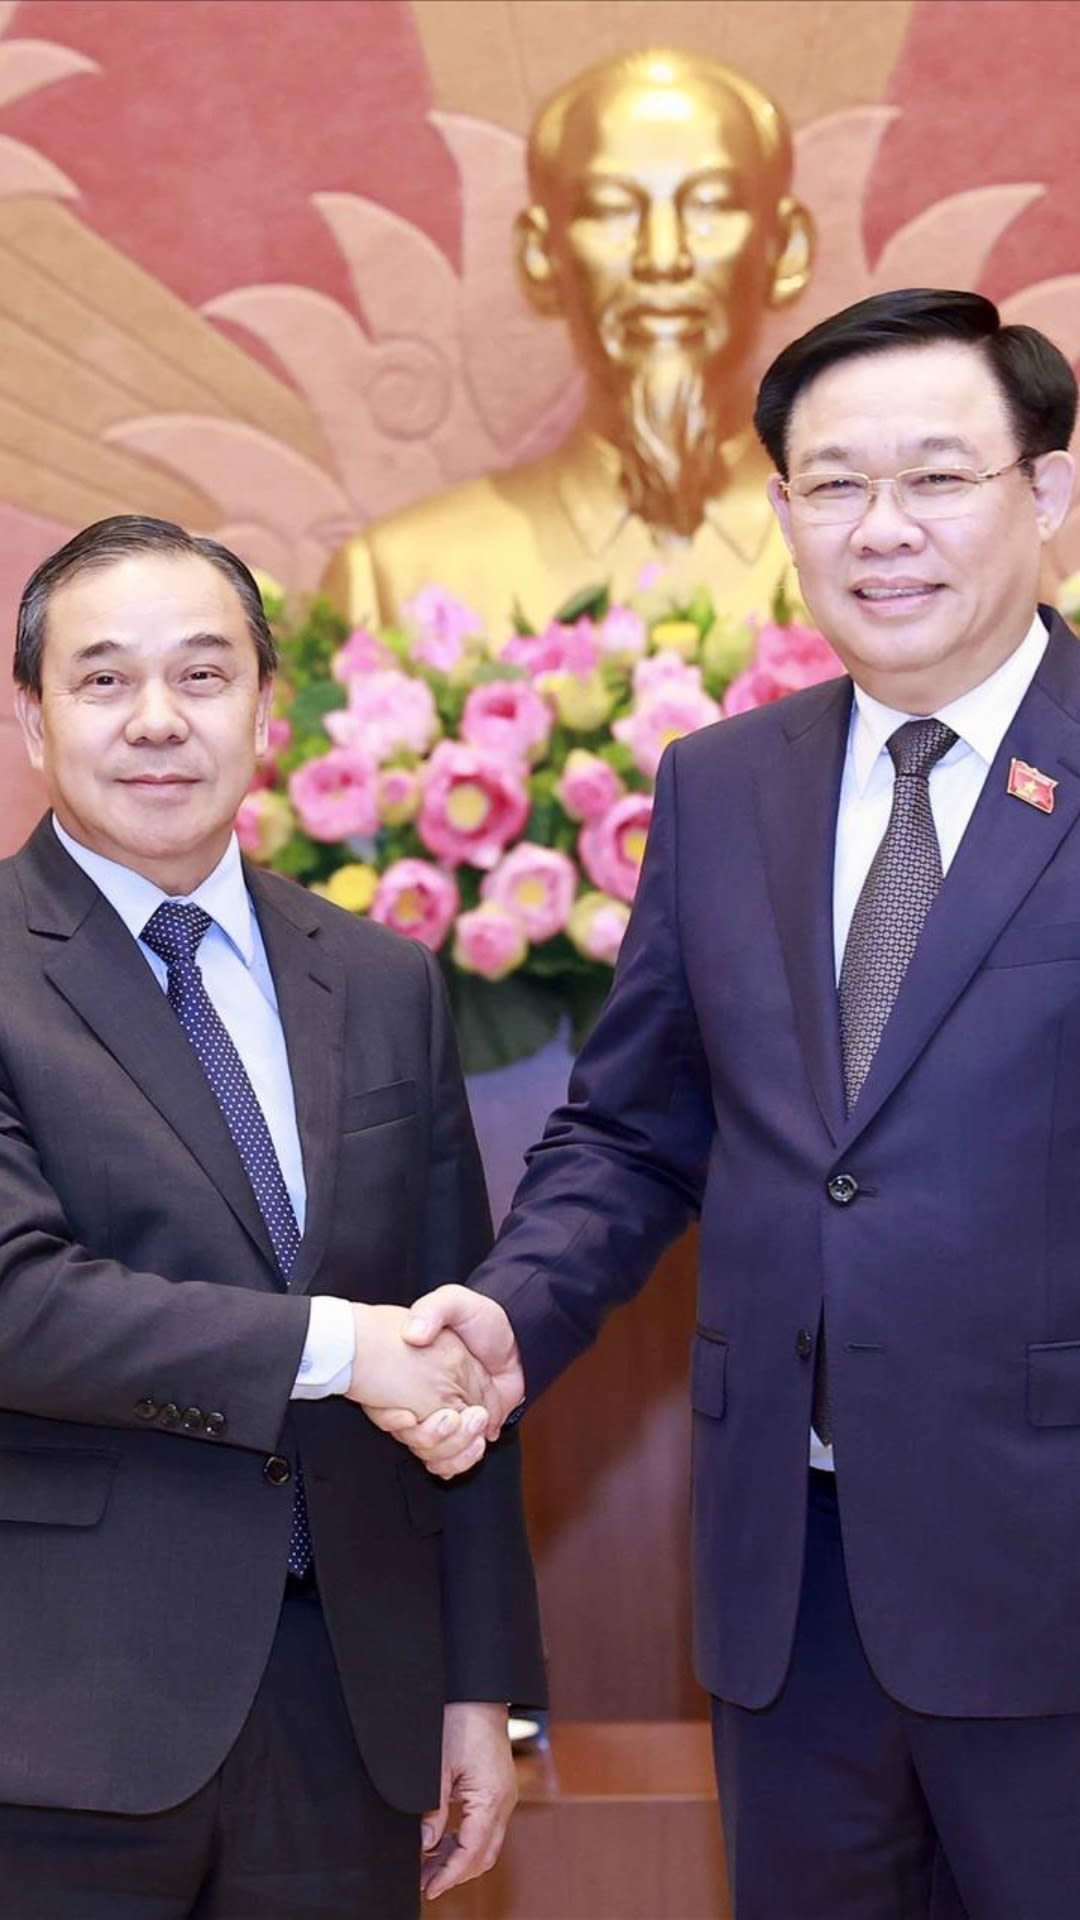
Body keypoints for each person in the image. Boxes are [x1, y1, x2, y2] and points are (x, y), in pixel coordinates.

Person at [395, 289, 1080, 1918]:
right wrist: (512, 1313)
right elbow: (637, 1131)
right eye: (834, 484)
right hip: (791, 1579)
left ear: (1048, 492)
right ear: (781, 511)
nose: (882, 529)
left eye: (937, 477)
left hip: (1051, 1565)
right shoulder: (725, 784)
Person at [0, 513, 544, 1919]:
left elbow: (461, 1340)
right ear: (34, 722)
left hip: (345, 1707)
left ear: (263, 711)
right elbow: (19, 1302)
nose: (157, 719)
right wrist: (341, 1348)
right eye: (103, 679)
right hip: (56, 1711)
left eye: (202, 673)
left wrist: (480, 1686)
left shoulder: (380, 979)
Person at [325, 47, 813, 638]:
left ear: (786, 250)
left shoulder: (881, 565)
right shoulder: (397, 582)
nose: (662, 258)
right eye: (611, 210)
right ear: (540, 256)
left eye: (710, 206)